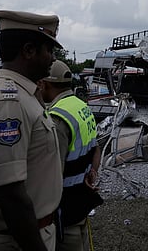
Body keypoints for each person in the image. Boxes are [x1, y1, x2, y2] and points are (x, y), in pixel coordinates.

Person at [0, 10, 64, 251]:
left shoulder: (25, 95)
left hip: (32, 232)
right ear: (29, 50)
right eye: (49, 50)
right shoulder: (8, 101)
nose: (53, 58)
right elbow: (10, 195)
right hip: (16, 240)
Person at [39, 60, 102, 251]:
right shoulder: (81, 106)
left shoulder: (57, 117)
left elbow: (52, 173)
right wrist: (92, 172)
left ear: (44, 84)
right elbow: (96, 147)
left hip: (65, 209)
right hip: (82, 199)